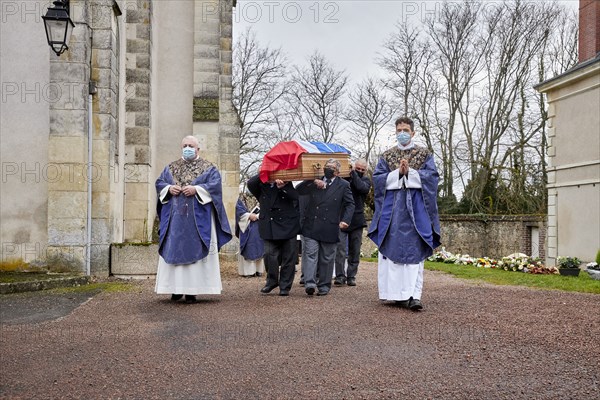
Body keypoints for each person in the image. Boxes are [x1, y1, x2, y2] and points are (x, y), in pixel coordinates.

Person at [368, 117, 441, 311]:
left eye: (406, 129)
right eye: (399, 129)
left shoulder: (424, 155)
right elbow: (378, 180)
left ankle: (412, 295)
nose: (402, 132)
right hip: (393, 212)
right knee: (392, 250)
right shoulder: (387, 156)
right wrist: (397, 174)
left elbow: (432, 179)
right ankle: (394, 294)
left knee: (414, 250)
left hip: (416, 213)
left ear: (413, 132)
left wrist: (410, 173)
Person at [155, 135, 232, 303]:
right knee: (174, 250)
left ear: (198, 149)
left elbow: (215, 186)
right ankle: (175, 290)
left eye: (191, 145)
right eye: (184, 145)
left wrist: (197, 189)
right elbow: (159, 183)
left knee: (194, 253)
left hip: (198, 219)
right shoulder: (170, 168)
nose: (187, 148)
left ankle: (192, 291)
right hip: (175, 221)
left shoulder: (209, 168)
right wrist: (169, 188)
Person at [296, 158, 355, 296]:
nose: (328, 169)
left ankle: (324, 285)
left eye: (332, 168)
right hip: (311, 225)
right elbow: (298, 190)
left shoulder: (344, 185)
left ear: (338, 172)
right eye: (327, 166)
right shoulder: (314, 180)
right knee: (310, 254)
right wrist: (311, 182)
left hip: (330, 226)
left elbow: (350, 204)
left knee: (327, 258)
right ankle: (310, 283)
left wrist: (346, 220)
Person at [247, 175, 301, 296]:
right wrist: (264, 172)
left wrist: (283, 186)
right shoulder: (260, 186)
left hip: (288, 225)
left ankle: (285, 286)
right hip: (269, 226)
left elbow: (295, 197)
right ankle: (272, 281)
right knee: (269, 255)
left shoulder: (287, 183)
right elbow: (250, 183)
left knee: (288, 258)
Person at [334, 159, 372, 287]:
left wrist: (353, 174)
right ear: (354, 167)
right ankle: (340, 276)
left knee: (354, 250)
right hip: (342, 218)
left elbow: (361, 188)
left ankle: (351, 276)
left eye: (362, 169)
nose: (360, 171)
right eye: (358, 169)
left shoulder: (366, 180)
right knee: (340, 250)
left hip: (357, 220)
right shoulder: (345, 179)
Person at [235, 193, 265, 277]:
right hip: (247, 226)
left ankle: (258, 270)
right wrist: (250, 216)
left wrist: (259, 215)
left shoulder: (262, 195)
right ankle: (249, 272)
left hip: (258, 226)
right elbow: (238, 211)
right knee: (249, 247)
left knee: (259, 246)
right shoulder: (238, 197)